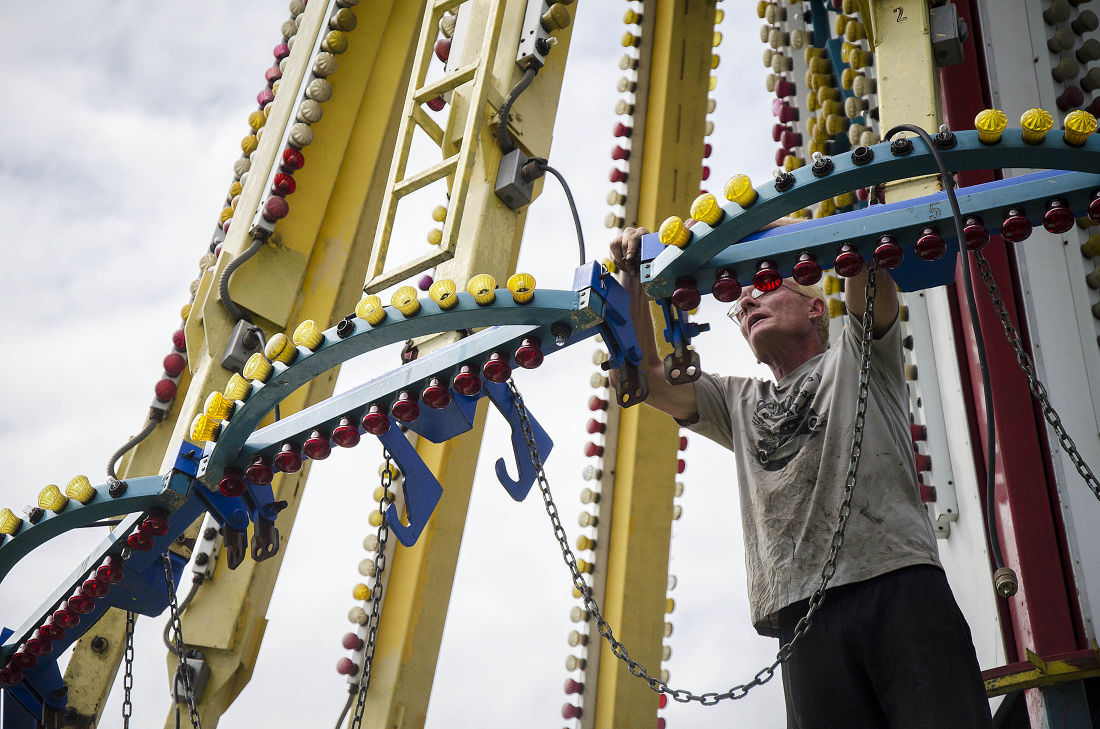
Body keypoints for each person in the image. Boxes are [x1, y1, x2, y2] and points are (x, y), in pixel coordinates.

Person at [609, 226, 993, 729]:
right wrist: (631, 277)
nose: (745, 304)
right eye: (739, 304)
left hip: (896, 579)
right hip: (801, 611)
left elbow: (865, 262)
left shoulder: (859, 355)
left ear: (816, 307)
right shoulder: (738, 401)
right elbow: (641, 379)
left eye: (764, 287)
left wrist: (791, 229)